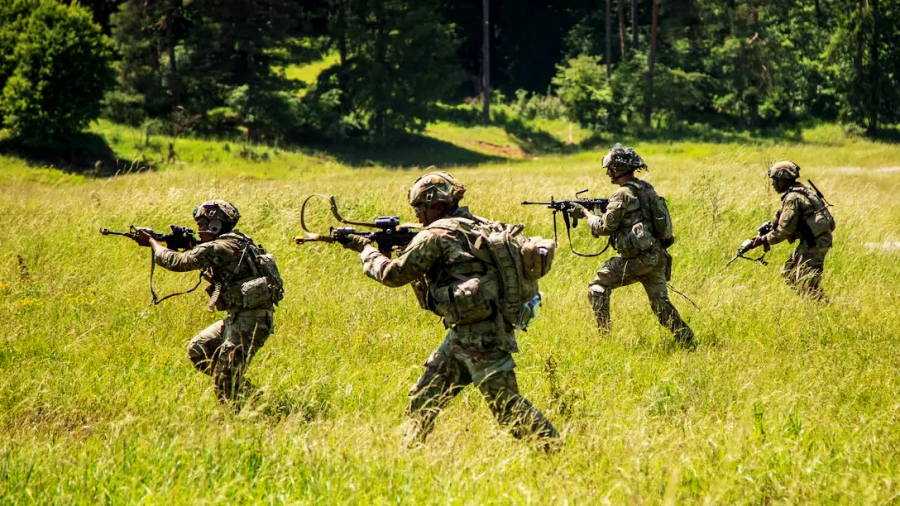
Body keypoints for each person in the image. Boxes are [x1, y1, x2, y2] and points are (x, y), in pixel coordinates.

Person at [339, 172, 559, 446]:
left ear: (438, 206)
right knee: (425, 394)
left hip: (480, 338)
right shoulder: (480, 225)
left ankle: (555, 449)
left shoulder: (435, 235)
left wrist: (365, 249)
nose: (418, 217)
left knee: (507, 408)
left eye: (421, 209)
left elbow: (392, 275)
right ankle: (408, 456)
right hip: (467, 334)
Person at [134, 200, 283, 409]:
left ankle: (255, 411)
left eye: (202, 224)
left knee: (223, 383)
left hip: (250, 322)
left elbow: (176, 262)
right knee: (199, 349)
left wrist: (152, 243)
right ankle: (252, 396)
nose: (199, 230)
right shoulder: (235, 241)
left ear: (215, 225)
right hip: (239, 318)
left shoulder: (221, 247)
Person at [568, 144, 695, 348]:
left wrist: (585, 214)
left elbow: (604, 228)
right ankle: (686, 339)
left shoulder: (621, 195)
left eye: (611, 169)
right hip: (657, 257)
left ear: (619, 169)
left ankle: (604, 339)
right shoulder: (646, 188)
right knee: (661, 306)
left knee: (597, 287)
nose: (609, 173)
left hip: (636, 261)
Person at [746, 161, 835, 301]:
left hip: (816, 241)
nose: (773, 184)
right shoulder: (797, 191)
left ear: (784, 179)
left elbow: (783, 231)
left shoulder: (792, 198)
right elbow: (780, 222)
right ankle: (811, 304)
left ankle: (823, 308)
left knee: (806, 280)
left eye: (776, 180)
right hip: (812, 239)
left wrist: (763, 239)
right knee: (788, 273)